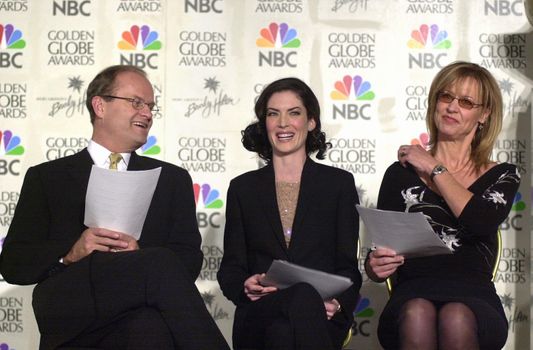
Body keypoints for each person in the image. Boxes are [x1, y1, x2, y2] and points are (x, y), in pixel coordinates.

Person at [0, 65, 229, 350]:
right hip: (71, 302)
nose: (147, 114)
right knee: (157, 265)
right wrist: (70, 253)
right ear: (100, 106)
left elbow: (187, 260)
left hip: (140, 304)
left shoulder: (172, 179)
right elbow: (13, 263)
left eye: (150, 106)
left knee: (149, 324)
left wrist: (138, 256)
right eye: (136, 102)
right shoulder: (47, 177)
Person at [365, 61, 521, 350]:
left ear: (484, 114)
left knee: (456, 316)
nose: (451, 107)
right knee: (417, 312)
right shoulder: (400, 173)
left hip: (474, 295)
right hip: (412, 291)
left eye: (465, 101)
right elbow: (381, 250)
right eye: (446, 96)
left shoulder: (502, 175)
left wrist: (434, 167)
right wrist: (375, 266)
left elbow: (480, 222)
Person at [217, 77, 362, 350]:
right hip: (259, 314)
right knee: (299, 299)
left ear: (311, 122)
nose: (283, 123)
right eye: (274, 114)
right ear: (265, 124)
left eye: (294, 113)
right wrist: (244, 285)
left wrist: (338, 303)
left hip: (321, 314)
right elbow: (231, 270)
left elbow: (347, 267)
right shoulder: (243, 188)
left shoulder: (338, 184)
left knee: (288, 326)